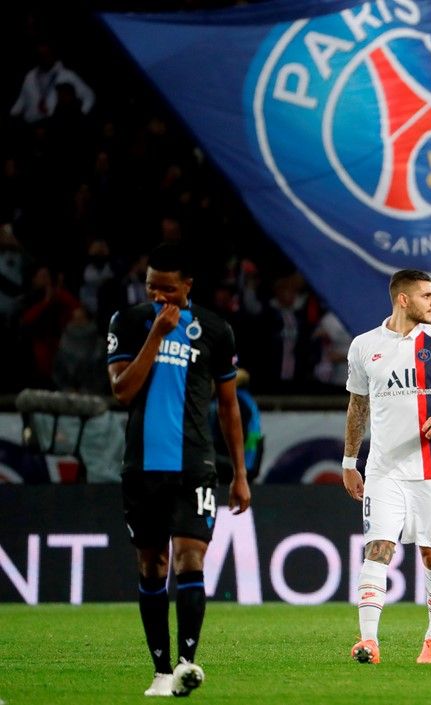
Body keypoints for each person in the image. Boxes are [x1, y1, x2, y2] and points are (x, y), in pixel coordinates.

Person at [106, 243, 251, 697]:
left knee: (190, 558)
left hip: (195, 465)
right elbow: (122, 391)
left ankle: (187, 664)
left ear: (187, 286)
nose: (158, 297)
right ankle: (160, 670)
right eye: (152, 288)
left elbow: (228, 408)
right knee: (153, 563)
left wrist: (240, 475)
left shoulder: (214, 330)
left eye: (167, 290)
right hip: (143, 465)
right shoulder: (128, 323)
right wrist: (155, 335)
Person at [342, 270, 431, 666]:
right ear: (403, 299)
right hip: (384, 470)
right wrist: (350, 461)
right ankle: (368, 641)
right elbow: (357, 407)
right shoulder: (365, 346)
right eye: (427, 295)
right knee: (378, 549)